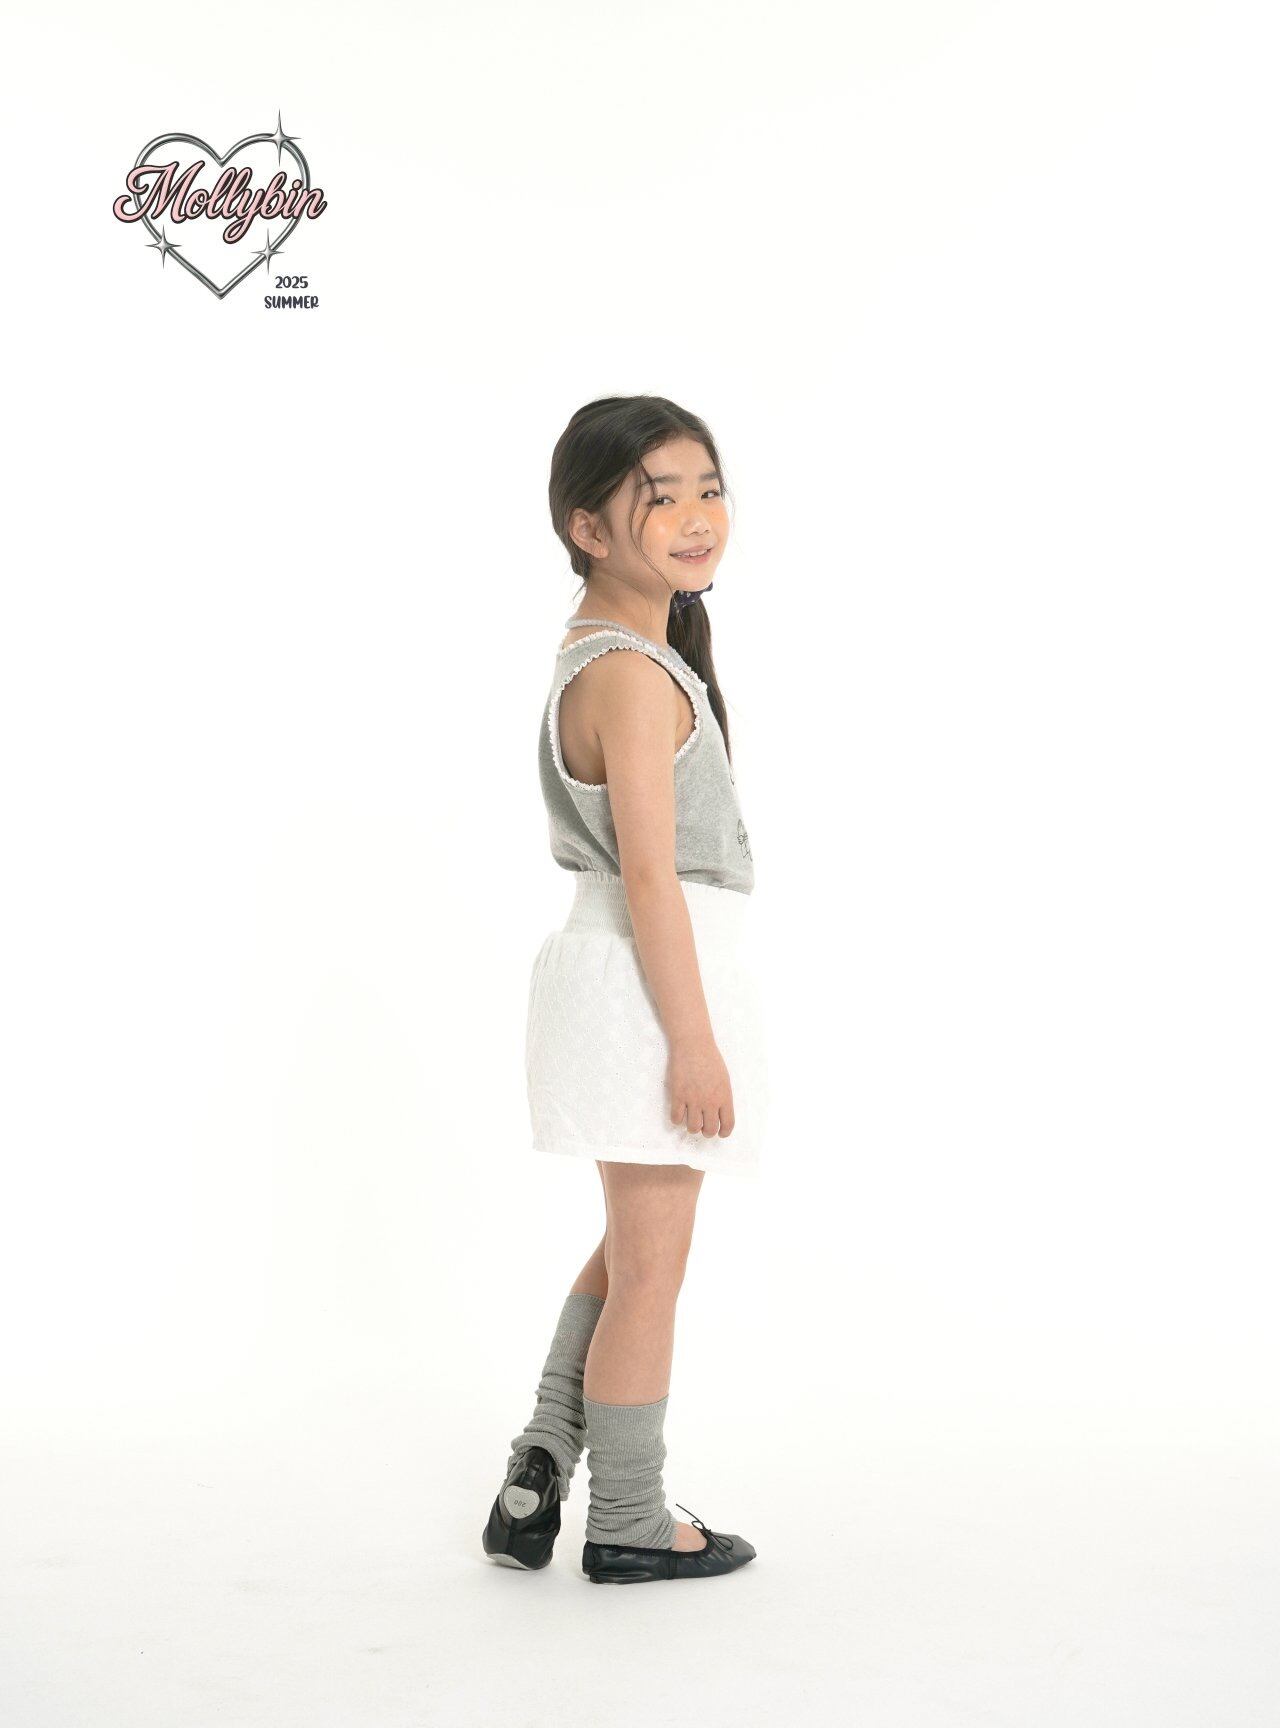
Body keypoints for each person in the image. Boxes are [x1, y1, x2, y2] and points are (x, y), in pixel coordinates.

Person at [482, 396, 769, 1584]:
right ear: (587, 528)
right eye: (660, 498)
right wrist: (693, 1046)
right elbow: (650, 877)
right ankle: (631, 1520)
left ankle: (541, 1460)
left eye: (708, 488)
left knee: (626, 1247)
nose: (696, 517)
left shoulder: (613, 655)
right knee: (652, 1268)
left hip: (620, 981)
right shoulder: (629, 676)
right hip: (644, 989)